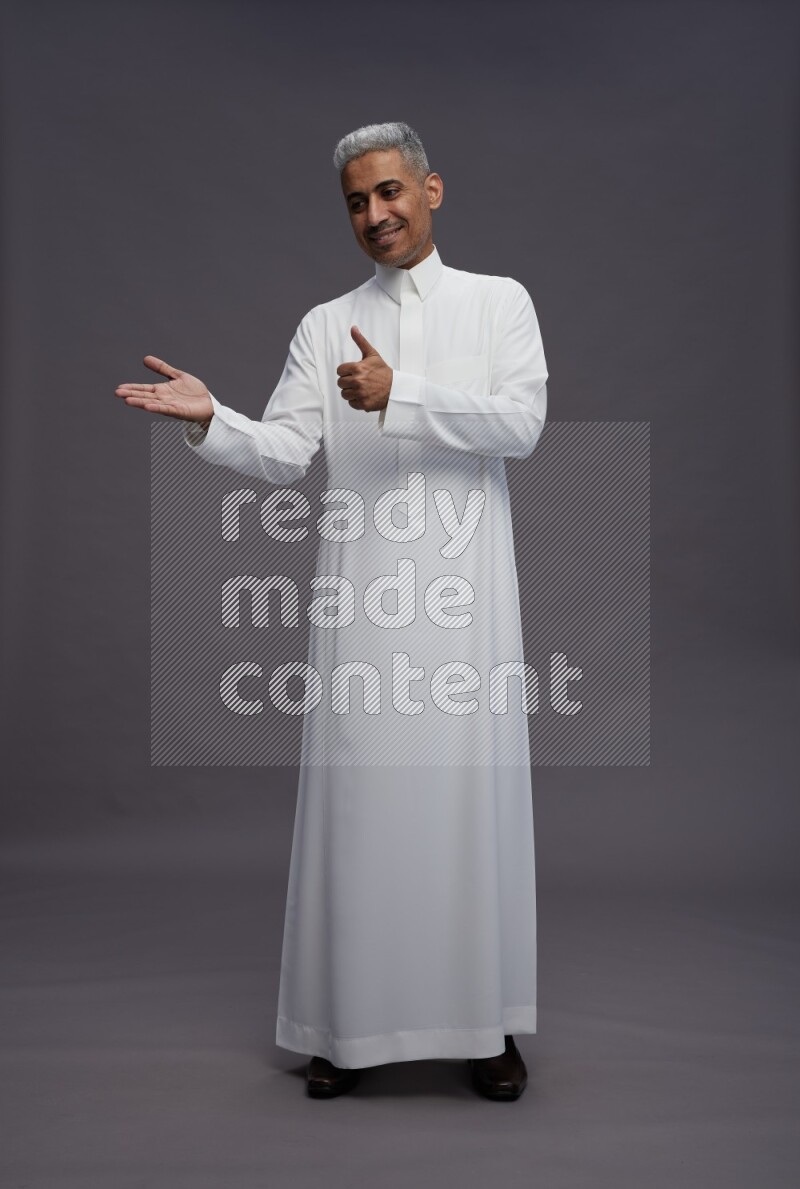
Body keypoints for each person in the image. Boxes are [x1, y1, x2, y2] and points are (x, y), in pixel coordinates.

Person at [115, 121, 548, 1101]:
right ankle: (343, 1027)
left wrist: (404, 393)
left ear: (431, 190)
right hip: (362, 605)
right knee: (362, 812)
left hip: (466, 608)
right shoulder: (324, 325)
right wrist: (211, 419)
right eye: (356, 201)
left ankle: (484, 1029)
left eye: (389, 192)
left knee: (465, 811)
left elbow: (519, 424)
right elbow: (283, 452)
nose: (374, 214)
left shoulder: (497, 305)